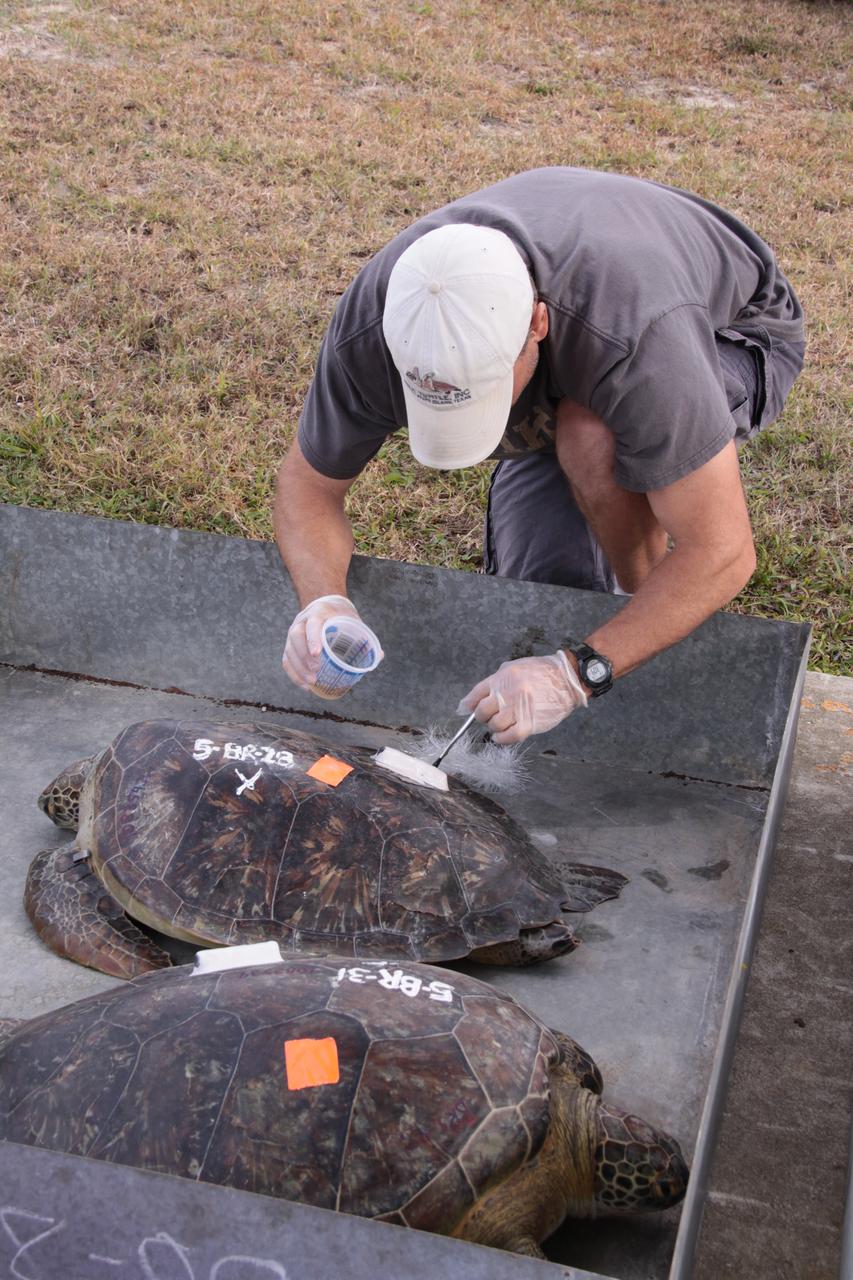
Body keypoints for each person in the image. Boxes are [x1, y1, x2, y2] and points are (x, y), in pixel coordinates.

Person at [275, 167, 805, 744]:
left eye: (484, 396)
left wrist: (577, 674)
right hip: (576, 344)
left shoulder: (641, 340)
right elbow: (308, 489)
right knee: (548, 588)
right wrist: (324, 603)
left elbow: (724, 552)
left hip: (731, 328)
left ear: (536, 323)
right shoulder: (381, 321)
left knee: (589, 434)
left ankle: (637, 589)